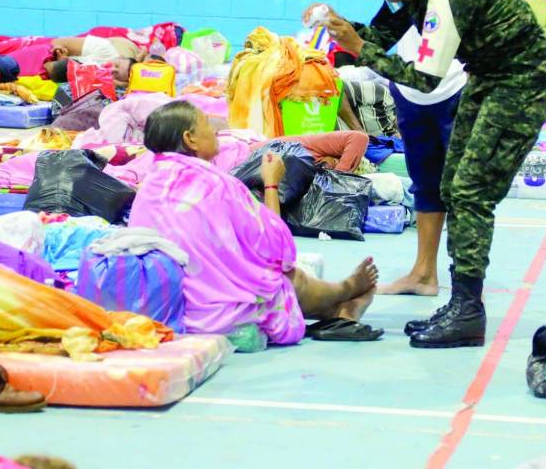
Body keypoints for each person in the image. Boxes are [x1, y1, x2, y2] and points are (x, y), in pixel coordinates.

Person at [319, 0, 546, 349]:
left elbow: (425, 78)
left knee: (470, 190)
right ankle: (460, 303)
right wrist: (345, 31)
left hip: (523, 82)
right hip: (489, 77)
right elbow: (380, 33)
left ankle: (469, 310)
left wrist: (359, 48)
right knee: (452, 184)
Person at [349, 0, 503, 302]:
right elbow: (394, 15)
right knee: (426, 182)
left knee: (464, 188)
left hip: (458, 86)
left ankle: (465, 285)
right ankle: (423, 272)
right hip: (413, 86)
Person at [130, 102, 383, 343]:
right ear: (190, 138)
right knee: (283, 278)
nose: (215, 130)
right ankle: (345, 292)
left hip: (161, 307)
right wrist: (271, 183)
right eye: (206, 123)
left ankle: (341, 309)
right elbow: (275, 248)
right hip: (209, 314)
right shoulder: (217, 184)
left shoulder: (149, 187)